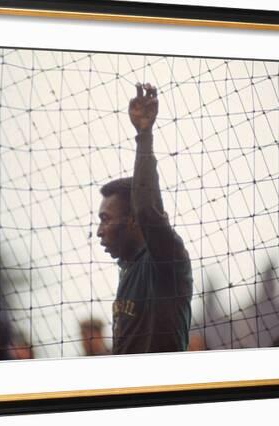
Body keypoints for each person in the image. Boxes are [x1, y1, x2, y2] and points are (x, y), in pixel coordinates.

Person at [97, 83, 193, 355]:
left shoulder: (165, 261)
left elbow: (148, 211)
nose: (99, 231)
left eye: (105, 219)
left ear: (133, 220)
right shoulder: (128, 268)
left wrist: (144, 135)